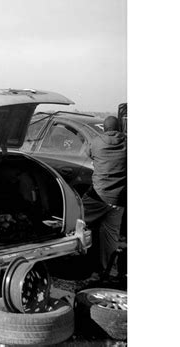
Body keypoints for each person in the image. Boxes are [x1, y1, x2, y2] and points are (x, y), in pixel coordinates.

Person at [82, 116, 127, 280]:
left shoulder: (96, 141)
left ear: (104, 128)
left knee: (75, 219)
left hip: (98, 196)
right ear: (120, 127)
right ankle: (105, 271)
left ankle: (67, 258)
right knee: (111, 236)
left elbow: (86, 153)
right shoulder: (128, 142)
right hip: (118, 199)